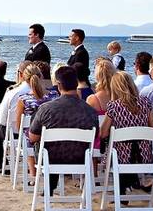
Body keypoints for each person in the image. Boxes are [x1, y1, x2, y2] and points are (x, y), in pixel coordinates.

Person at [27, 65, 99, 196]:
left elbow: (32, 137)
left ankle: (50, 185)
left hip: (50, 159)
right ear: (76, 83)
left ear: (59, 85)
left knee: (43, 145)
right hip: (80, 159)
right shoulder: (90, 111)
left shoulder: (46, 109)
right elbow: (96, 136)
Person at [99, 72, 153, 189]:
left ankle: (124, 187)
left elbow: (103, 133)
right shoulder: (145, 102)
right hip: (144, 155)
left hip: (120, 157)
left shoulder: (113, 106)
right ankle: (131, 181)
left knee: (113, 149)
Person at [0, 61, 34, 172]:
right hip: (37, 134)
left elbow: (2, 118)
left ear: (20, 74)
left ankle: (2, 164)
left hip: (16, 133)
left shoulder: (13, 92)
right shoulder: (44, 92)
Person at [15, 65, 59, 181]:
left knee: (27, 132)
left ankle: (33, 175)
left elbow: (19, 126)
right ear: (42, 77)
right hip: (53, 138)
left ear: (24, 79)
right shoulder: (54, 96)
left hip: (32, 139)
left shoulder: (23, 99)